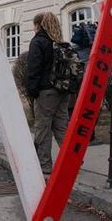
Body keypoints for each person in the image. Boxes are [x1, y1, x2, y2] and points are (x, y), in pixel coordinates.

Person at [26, 12, 69, 176]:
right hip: (63, 91)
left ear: (38, 24)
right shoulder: (59, 42)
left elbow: (33, 68)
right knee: (61, 127)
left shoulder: (38, 41)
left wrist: (32, 90)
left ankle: (45, 165)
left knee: (43, 128)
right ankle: (72, 160)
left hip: (46, 92)